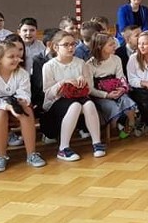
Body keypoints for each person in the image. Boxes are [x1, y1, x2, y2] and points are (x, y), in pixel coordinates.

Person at [0, 42, 45, 172]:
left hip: (15, 103)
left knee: (26, 111)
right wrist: (9, 107)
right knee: (0, 115)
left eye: (17, 56)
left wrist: (21, 101)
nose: (16, 59)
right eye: (11, 57)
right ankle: (1, 156)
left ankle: (32, 154)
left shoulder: (22, 73)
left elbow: (25, 93)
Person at [41, 30, 106, 161]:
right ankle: (63, 148)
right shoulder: (49, 66)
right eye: (66, 45)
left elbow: (89, 89)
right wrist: (62, 83)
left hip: (78, 97)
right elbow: (48, 94)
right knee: (75, 106)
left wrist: (83, 81)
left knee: (89, 104)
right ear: (56, 47)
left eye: (73, 44)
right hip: (57, 101)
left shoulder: (80, 63)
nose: (71, 48)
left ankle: (96, 142)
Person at [87, 33, 138, 138]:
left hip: (116, 90)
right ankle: (113, 127)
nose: (115, 46)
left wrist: (122, 88)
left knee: (126, 100)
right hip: (100, 95)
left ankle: (131, 124)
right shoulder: (89, 65)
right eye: (110, 45)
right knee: (111, 106)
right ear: (100, 47)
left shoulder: (116, 59)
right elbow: (90, 89)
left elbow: (121, 77)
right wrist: (106, 95)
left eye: (114, 43)